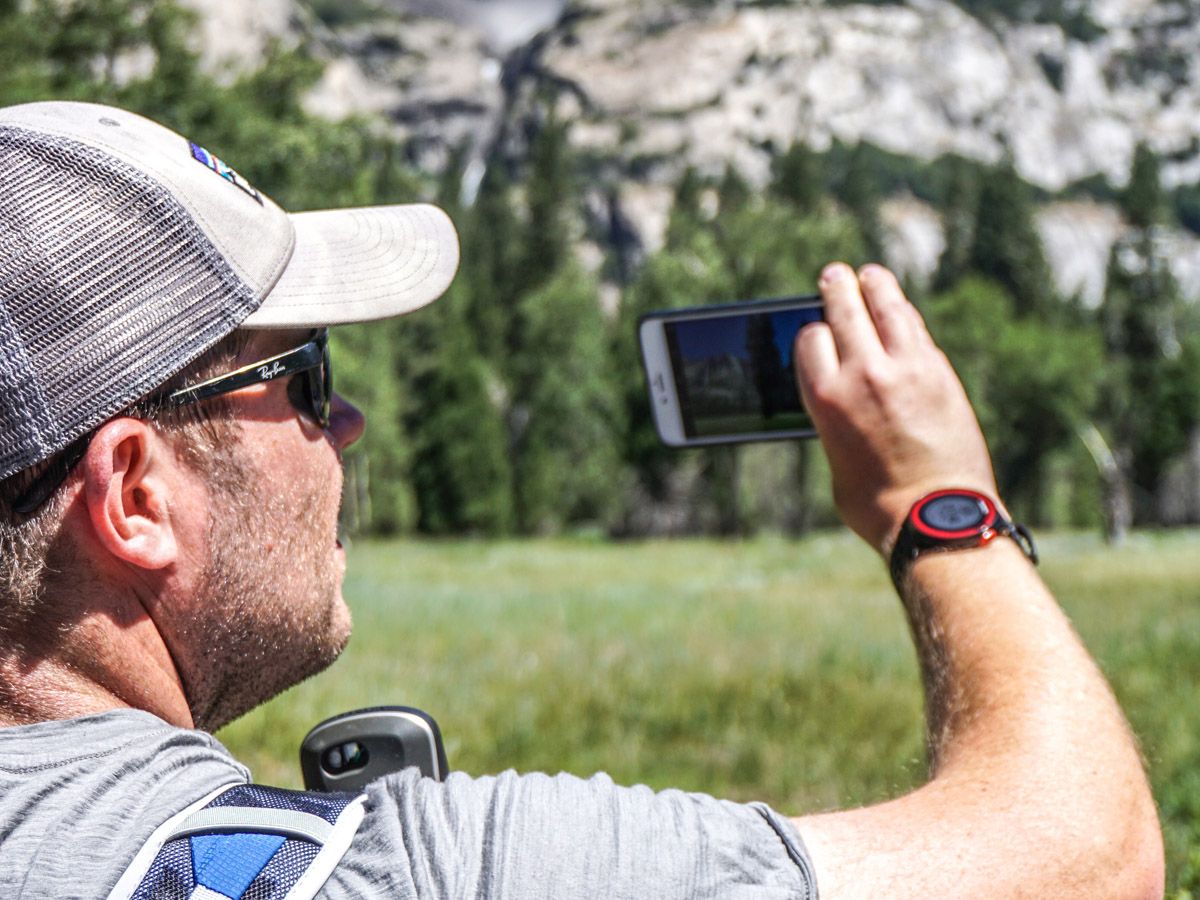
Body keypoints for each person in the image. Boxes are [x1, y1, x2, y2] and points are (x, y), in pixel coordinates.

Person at [0, 100, 1163, 899]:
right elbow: (1084, 860)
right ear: (135, 495)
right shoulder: (406, 872)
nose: (346, 426)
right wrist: (939, 505)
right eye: (307, 383)